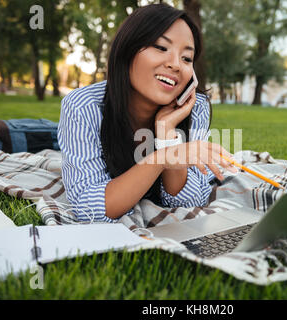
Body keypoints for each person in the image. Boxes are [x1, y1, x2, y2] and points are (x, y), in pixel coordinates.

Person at [58, 3, 237, 223]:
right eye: (161, 48)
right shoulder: (83, 106)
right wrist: (162, 157)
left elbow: (190, 202)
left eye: (187, 58)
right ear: (128, 49)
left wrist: (166, 134)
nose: (175, 65)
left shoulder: (195, 107)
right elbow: (88, 209)